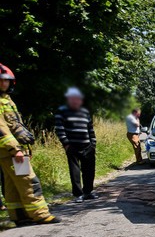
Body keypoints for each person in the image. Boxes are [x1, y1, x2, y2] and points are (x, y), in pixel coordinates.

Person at [0, 63, 60, 225]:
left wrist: (25, 148)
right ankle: (40, 214)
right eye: (1, 80)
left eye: (6, 80)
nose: (4, 83)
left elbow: (15, 127)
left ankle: (19, 215)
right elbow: (2, 130)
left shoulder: (5, 99)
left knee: (12, 184)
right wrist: (16, 150)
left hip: (9, 152)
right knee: (28, 181)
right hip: (11, 152)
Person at [55, 87, 97, 202]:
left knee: (89, 170)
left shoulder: (84, 112)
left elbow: (90, 128)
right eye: (73, 99)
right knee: (75, 172)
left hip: (87, 146)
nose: (75, 101)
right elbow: (59, 128)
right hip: (72, 146)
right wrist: (66, 144)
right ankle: (78, 194)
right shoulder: (62, 111)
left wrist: (93, 143)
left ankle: (88, 192)